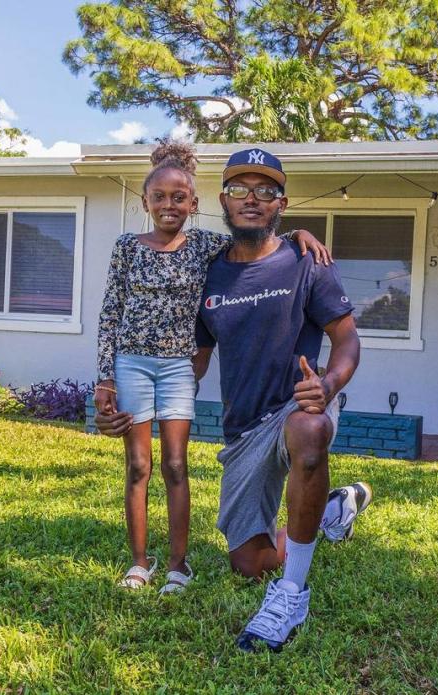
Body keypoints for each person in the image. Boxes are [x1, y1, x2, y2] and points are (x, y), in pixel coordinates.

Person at [99, 146, 372, 651]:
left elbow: (348, 339)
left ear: (281, 203)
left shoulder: (305, 260)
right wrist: (136, 404)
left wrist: (328, 385)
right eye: (240, 190)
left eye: (266, 190)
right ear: (222, 201)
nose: (252, 199)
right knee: (247, 564)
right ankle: (331, 511)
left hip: (298, 404)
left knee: (310, 428)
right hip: (245, 428)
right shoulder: (210, 270)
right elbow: (195, 358)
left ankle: (292, 592)